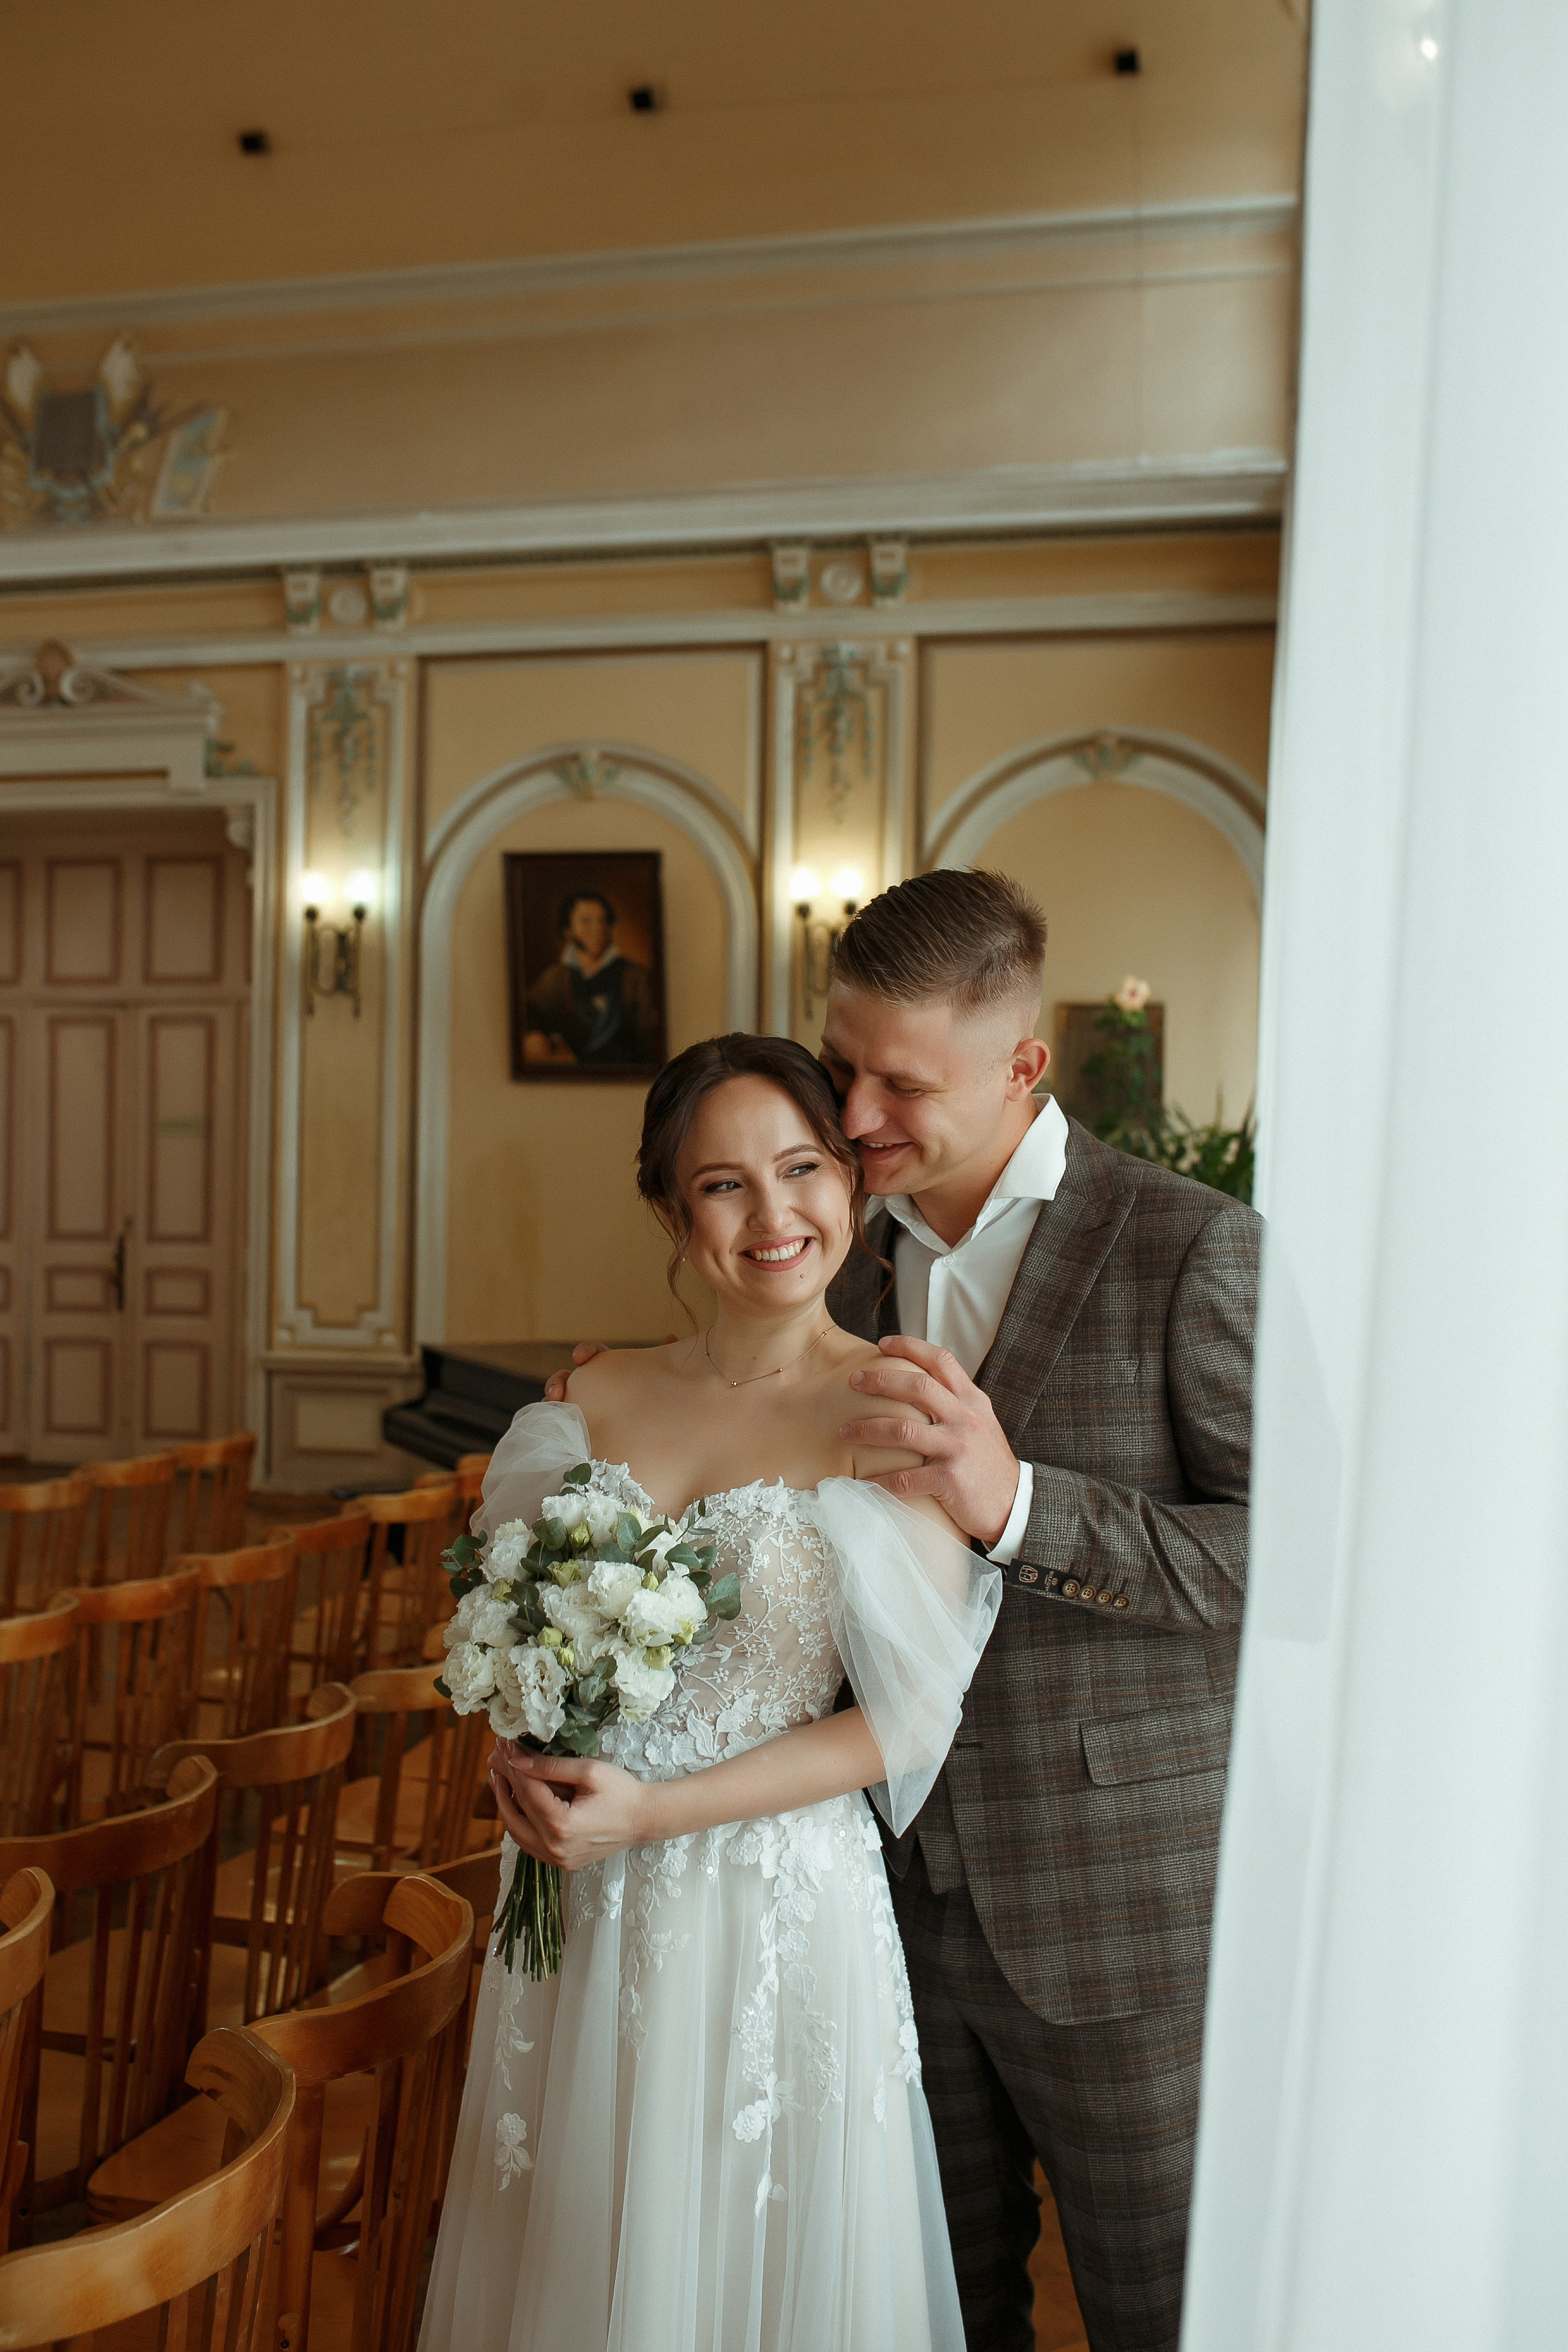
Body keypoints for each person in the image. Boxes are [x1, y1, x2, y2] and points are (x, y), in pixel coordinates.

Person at [549, 869, 1261, 2351]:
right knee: (919, 2309)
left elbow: (1298, 1568)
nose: (850, 1111)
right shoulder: (831, 1242)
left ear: (1021, 1066)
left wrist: (1018, 1503)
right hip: (855, 1905)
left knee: (1162, 2311)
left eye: (896, 1081)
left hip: (1107, 1915)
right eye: (842, 1060)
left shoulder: (1186, 1245)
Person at [420, 1033, 1001, 2352]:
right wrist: (520, 1748)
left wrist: (654, 1818)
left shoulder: (892, 1407)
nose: (773, 1213)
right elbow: (518, 1637)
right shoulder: (589, 1398)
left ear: (852, 1190)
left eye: (802, 1169)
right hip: (577, 1896)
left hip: (769, 1907)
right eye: (725, 1183)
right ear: (672, 1213)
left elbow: (911, 1719)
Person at [523, 888, 662, 1068]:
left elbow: (652, 1040)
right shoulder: (554, 979)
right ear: (568, 931)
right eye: (586, 922)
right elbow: (530, 1017)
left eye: (602, 921)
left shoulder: (637, 978)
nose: (597, 929)